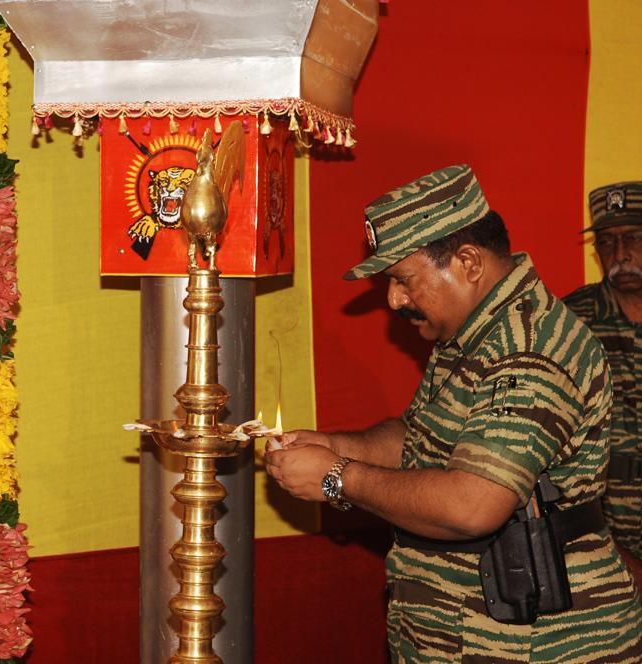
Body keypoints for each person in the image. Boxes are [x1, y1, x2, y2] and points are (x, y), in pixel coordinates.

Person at [265, 164, 642, 661]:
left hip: (533, 642)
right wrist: (336, 446)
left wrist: (337, 477)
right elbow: (420, 439)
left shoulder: (528, 349)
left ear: (468, 262)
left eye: (403, 279)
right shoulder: (473, 332)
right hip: (464, 632)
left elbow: (471, 505)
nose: (394, 299)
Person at [565, 181, 642, 589]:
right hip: (599, 540)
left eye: (633, 238)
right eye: (608, 242)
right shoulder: (570, 322)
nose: (621, 254)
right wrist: (604, 547)